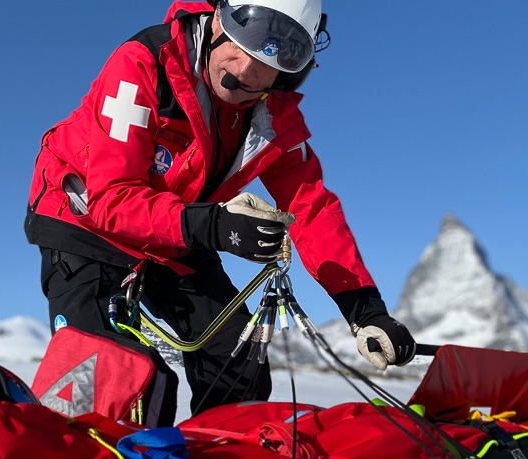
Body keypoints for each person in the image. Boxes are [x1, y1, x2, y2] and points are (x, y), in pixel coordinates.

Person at [24, 0, 415, 414]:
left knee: (238, 366)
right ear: (216, 23)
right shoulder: (145, 64)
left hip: (178, 232)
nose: (246, 70)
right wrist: (213, 226)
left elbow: (311, 207)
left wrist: (365, 309)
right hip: (85, 221)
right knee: (121, 376)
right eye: (243, 40)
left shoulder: (270, 119)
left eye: (277, 54)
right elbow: (112, 197)